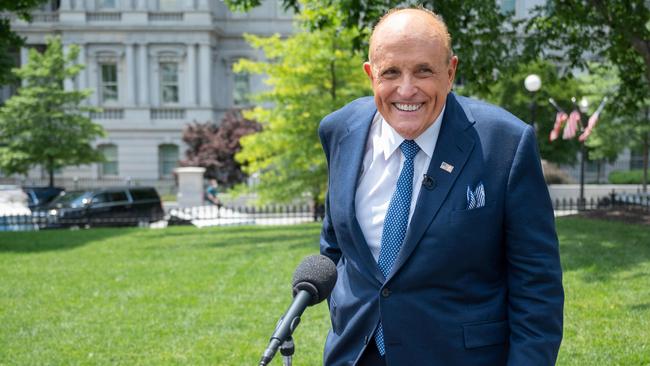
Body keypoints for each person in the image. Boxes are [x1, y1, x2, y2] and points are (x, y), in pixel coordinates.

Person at [318, 7, 563, 366]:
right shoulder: (340, 130)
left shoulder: (505, 144)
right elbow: (335, 243)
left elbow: (537, 288)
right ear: (371, 75)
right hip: (355, 356)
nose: (406, 89)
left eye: (423, 71)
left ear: (450, 72)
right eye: (390, 72)